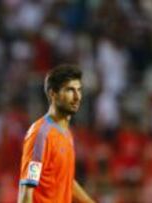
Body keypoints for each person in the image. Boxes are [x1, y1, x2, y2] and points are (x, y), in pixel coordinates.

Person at [18, 65, 95, 203]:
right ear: (53, 93)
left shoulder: (66, 132)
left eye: (79, 90)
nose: (77, 97)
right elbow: (26, 189)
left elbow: (65, 180)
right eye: (70, 90)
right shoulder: (40, 135)